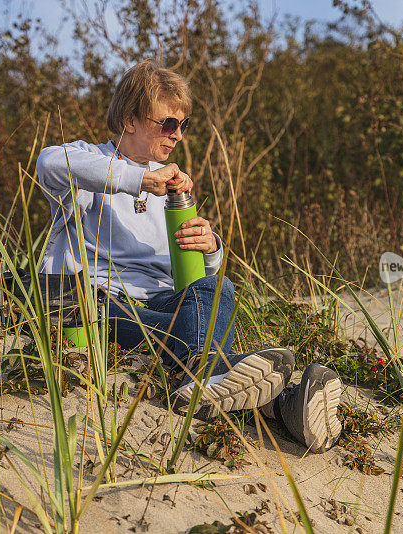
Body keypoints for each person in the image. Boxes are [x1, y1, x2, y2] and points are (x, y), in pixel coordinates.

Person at [35, 60, 342, 452]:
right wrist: (140, 178)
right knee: (184, 330)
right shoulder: (89, 164)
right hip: (96, 300)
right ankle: (284, 404)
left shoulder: (171, 185)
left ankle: (210, 374)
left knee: (217, 286)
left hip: (167, 301)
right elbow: (48, 163)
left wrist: (209, 247)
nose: (177, 135)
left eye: (183, 125)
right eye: (167, 124)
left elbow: (191, 278)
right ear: (130, 119)